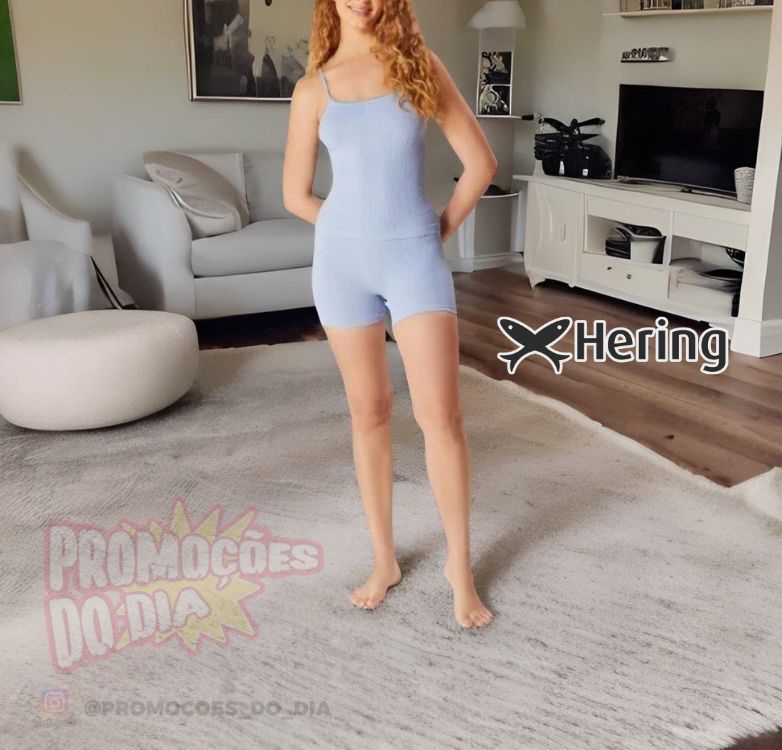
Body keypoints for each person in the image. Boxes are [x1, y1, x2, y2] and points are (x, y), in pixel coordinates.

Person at [282, 0, 498, 629]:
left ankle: (460, 568)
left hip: (413, 261)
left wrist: (436, 232)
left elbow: (480, 163)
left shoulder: (419, 65)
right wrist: (350, 233)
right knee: (369, 413)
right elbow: (295, 195)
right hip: (341, 268)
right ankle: (385, 561)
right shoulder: (312, 89)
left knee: (441, 416)